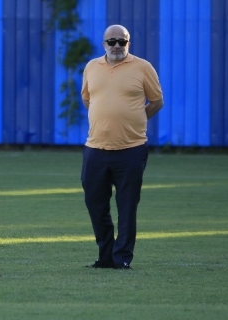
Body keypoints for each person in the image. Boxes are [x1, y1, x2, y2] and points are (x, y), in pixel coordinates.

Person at [80, 24, 164, 270]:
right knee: (95, 204)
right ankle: (105, 256)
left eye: (122, 41)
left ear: (129, 43)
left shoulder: (143, 67)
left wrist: (135, 119)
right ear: (104, 44)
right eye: (112, 41)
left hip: (131, 149)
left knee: (127, 206)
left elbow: (157, 101)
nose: (117, 46)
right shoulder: (91, 67)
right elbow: (87, 99)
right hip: (95, 148)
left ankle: (122, 258)